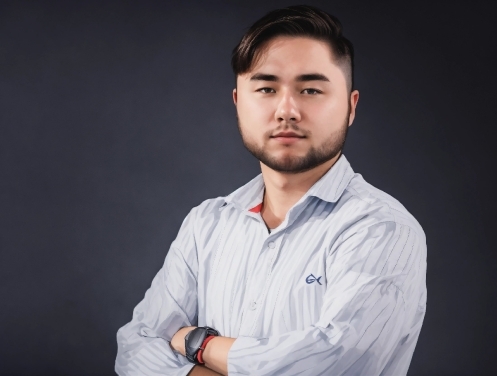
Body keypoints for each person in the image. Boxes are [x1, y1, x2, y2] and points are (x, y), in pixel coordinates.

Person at [115, 5, 427, 376]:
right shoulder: (207, 224)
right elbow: (135, 349)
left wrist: (200, 345)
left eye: (311, 89)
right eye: (266, 88)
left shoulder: (383, 230)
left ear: (350, 107)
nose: (287, 110)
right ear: (238, 103)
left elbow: (332, 363)